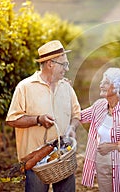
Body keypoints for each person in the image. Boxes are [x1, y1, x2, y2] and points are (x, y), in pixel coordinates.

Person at [6, 40, 81, 192]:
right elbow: (12, 119)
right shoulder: (25, 87)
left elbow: (76, 114)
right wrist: (38, 119)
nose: (67, 68)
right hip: (36, 162)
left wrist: (72, 127)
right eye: (63, 64)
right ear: (50, 64)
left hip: (62, 156)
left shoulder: (66, 87)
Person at [80, 67, 120, 192]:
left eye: (106, 82)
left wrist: (112, 146)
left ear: (116, 87)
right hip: (101, 160)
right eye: (102, 82)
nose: (101, 85)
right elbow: (79, 116)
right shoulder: (99, 105)